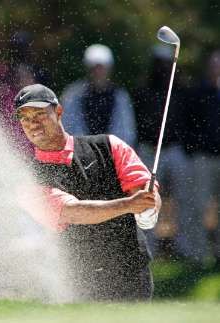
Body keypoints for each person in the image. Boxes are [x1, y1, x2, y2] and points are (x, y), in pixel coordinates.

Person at [15, 84, 161, 301]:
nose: (32, 123)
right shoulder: (26, 176)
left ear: (58, 112)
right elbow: (73, 212)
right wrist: (130, 205)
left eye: (39, 114)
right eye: (25, 118)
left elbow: (143, 191)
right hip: (78, 283)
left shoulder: (110, 145)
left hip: (131, 274)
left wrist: (149, 209)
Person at [133, 45, 196, 263]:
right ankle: (147, 250)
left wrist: (186, 146)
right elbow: (138, 122)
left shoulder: (180, 90)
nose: (162, 68)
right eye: (158, 62)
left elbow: (188, 122)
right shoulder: (142, 90)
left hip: (176, 151)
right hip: (149, 151)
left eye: (165, 63)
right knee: (147, 201)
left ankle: (187, 249)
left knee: (185, 201)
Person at [60, 44, 136, 146]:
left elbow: (127, 132)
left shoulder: (120, 96)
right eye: (94, 68)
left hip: (113, 155)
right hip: (80, 154)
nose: (98, 72)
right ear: (87, 68)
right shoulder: (73, 94)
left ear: (109, 68)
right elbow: (66, 127)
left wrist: (111, 151)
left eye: (102, 67)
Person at [186, 50, 220, 269]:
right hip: (203, 157)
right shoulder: (198, 92)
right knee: (199, 206)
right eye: (214, 64)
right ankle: (198, 255)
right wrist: (194, 148)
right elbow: (189, 123)